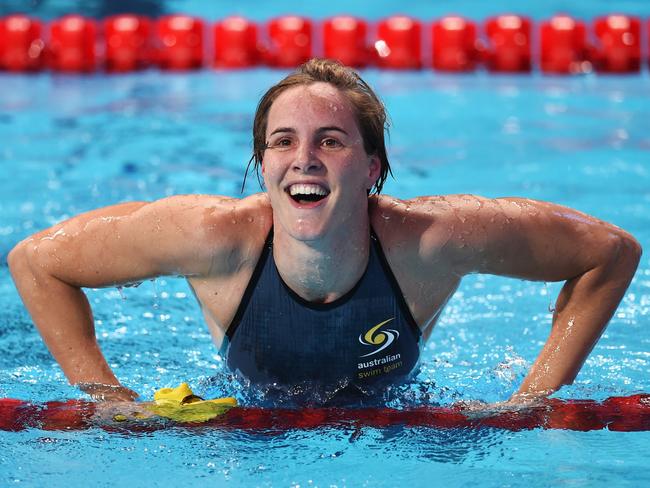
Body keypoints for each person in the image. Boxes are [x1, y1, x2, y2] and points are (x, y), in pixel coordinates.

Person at [8, 58, 642, 406]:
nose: (303, 158)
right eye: (284, 142)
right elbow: (36, 262)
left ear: (372, 168)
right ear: (263, 168)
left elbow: (610, 252)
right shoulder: (211, 239)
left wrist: (530, 403)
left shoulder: (430, 240)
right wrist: (105, 398)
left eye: (330, 141)